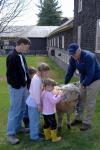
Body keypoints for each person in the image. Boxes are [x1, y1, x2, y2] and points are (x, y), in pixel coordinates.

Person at [64, 43, 100, 131]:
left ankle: (87, 122)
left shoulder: (89, 56)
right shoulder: (73, 58)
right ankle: (78, 118)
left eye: (74, 53)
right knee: (80, 99)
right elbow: (70, 71)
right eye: (71, 54)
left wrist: (84, 84)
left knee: (90, 101)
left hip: (95, 79)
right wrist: (65, 85)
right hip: (84, 78)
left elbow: (90, 73)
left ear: (79, 50)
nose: (73, 55)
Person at [6, 37, 31, 144]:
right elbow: (10, 75)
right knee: (14, 111)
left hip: (23, 87)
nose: (27, 48)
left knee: (22, 108)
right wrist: (18, 86)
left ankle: (18, 127)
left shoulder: (21, 55)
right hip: (16, 88)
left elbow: (25, 70)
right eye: (27, 46)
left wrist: (27, 83)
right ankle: (10, 134)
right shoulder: (12, 57)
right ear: (21, 44)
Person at [26, 63, 50, 141]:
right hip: (34, 103)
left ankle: (36, 132)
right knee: (34, 120)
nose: (47, 73)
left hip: (33, 102)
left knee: (36, 120)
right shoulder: (37, 80)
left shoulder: (38, 77)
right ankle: (34, 137)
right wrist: (39, 105)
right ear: (41, 71)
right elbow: (36, 94)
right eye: (46, 72)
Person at [41, 78, 65, 142]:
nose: (53, 88)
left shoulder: (44, 92)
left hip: (45, 112)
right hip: (50, 113)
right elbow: (54, 101)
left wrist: (56, 95)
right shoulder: (49, 94)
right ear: (47, 86)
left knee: (47, 124)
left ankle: (47, 136)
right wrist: (59, 95)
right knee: (53, 124)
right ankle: (54, 138)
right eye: (52, 87)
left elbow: (51, 99)